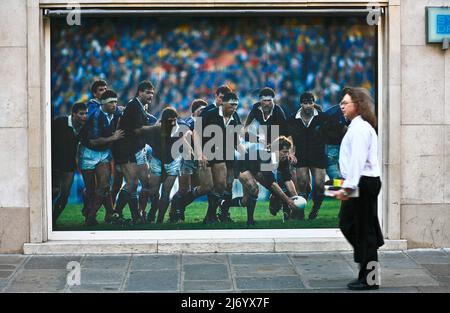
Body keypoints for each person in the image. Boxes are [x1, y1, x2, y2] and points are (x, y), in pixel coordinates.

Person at [334, 87, 383, 291]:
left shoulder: (360, 129)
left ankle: (369, 277)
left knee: (363, 230)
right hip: (359, 182)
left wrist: (348, 187)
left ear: (358, 105)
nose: (341, 106)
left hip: (362, 182)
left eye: (345, 103)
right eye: (341, 103)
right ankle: (368, 255)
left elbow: (357, 161)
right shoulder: (356, 127)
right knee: (351, 225)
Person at [220, 136, 298, 226]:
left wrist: (295, 197)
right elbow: (271, 183)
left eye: (288, 152)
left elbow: (287, 180)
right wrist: (288, 200)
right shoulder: (266, 157)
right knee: (255, 189)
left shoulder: (284, 160)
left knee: (245, 202)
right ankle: (250, 222)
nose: (287, 155)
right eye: (284, 152)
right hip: (242, 166)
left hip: (255, 169)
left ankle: (223, 204)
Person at [195, 91, 246, 224]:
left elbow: (237, 140)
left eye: (236, 105)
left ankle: (212, 216)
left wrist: (246, 154)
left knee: (222, 185)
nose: (234, 108)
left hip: (224, 154)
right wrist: (200, 153)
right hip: (208, 152)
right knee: (211, 186)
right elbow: (196, 133)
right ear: (222, 103)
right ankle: (206, 214)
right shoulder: (210, 113)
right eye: (231, 105)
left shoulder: (235, 117)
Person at [78, 90, 124, 225]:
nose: (114, 105)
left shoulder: (115, 112)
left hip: (103, 153)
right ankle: (97, 212)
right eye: (111, 102)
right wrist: (113, 137)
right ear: (103, 104)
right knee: (91, 189)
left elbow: (125, 112)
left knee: (104, 185)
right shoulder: (96, 116)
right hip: (89, 152)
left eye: (116, 102)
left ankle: (91, 216)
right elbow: (93, 141)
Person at [111, 81, 154, 224]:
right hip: (126, 150)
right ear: (140, 92)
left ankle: (140, 213)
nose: (151, 95)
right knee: (132, 183)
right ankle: (118, 213)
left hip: (138, 149)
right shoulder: (134, 106)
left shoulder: (140, 106)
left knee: (146, 183)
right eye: (148, 92)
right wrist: (156, 128)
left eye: (152, 93)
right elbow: (137, 130)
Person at [287, 92, 328, 220]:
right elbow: (289, 137)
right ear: (301, 104)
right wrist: (291, 152)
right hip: (301, 155)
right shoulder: (292, 118)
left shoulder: (322, 117)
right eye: (306, 103)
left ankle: (315, 211)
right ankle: (300, 213)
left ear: (314, 103)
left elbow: (331, 133)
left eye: (311, 103)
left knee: (320, 185)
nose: (309, 105)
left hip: (318, 154)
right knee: (303, 185)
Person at [141, 107, 185, 223]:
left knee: (166, 192)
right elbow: (140, 131)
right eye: (170, 120)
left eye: (175, 120)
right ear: (163, 121)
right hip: (157, 160)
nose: (173, 123)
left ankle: (159, 220)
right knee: (153, 191)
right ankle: (153, 209)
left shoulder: (179, 130)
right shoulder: (155, 130)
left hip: (173, 162)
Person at [51, 102, 88, 225]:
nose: (84, 116)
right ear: (73, 114)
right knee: (52, 192)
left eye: (86, 114)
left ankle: (53, 220)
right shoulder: (59, 122)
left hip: (68, 164)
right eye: (81, 114)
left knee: (65, 195)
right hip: (53, 163)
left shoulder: (84, 128)